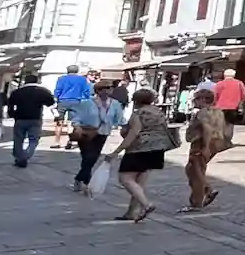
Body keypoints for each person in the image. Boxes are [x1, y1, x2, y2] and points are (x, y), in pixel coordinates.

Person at [111, 87, 174, 222]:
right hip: (157, 149)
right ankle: (132, 212)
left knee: (125, 179)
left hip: (139, 149)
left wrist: (116, 151)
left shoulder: (138, 114)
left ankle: (146, 204)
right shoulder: (159, 113)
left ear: (135, 101)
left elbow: (133, 133)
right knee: (139, 182)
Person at [70, 81, 126, 194]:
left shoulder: (115, 104)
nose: (107, 90)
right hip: (86, 132)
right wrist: (77, 126)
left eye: (109, 88)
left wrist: (126, 126)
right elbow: (76, 117)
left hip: (103, 133)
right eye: (103, 88)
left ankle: (80, 179)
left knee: (91, 158)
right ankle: (85, 182)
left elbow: (119, 119)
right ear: (97, 90)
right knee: (88, 157)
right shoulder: (87, 103)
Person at [182, 86, 228, 210]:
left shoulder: (203, 112)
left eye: (196, 99)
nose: (194, 101)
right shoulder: (218, 111)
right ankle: (198, 197)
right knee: (194, 169)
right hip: (217, 141)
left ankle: (205, 193)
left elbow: (207, 129)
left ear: (203, 99)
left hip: (201, 143)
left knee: (195, 170)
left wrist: (205, 147)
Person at [5, 74, 55, 168]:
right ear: (37, 81)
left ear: (25, 81)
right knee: (33, 140)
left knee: (18, 139)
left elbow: (10, 105)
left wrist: (12, 115)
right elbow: (51, 103)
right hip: (35, 118)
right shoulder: (42, 92)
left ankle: (20, 157)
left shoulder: (17, 92)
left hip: (20, 118)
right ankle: (26, 155)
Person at [51, 64, 91, 151]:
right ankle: (69, 141)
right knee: (71, 122)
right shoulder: (82, 79)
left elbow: (58, 89)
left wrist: (55, 98)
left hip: (63, 101)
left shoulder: (61, 79)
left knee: (59, 121)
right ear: (77, 71)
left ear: (67, 70)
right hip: (76, 101)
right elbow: (87, 91)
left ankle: (57, 142)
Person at [213, 69, 245, 143]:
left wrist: (215, 103)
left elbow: (214, 95)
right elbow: (244, 95)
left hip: (220, 107)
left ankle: (220, 139)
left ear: (224, 75)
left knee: (220, 123)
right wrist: (239, 101)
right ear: (234, 75)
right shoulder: (239, 83)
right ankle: (227, 140)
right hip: (233, 107)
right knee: (230, 124)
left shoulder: (219, 84)